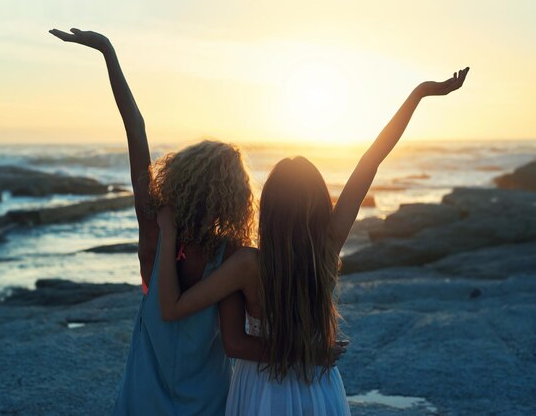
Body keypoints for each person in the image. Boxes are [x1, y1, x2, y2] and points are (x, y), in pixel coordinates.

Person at [157, 67, 470, 415]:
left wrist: (168, 233)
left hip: (261, 387)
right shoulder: (327, 245)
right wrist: (419, 94)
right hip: (316, 383)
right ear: (320, 201)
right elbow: (372, 160)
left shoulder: (245, 263)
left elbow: (186, 317)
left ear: (269, 207)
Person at [49, 27, 266, 416]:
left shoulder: (156, 227)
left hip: (145, 395)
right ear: (234, 200)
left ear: (181, 179)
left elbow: (136, 128)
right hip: (208, 398)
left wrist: (108, 52)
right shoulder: (229, 253)